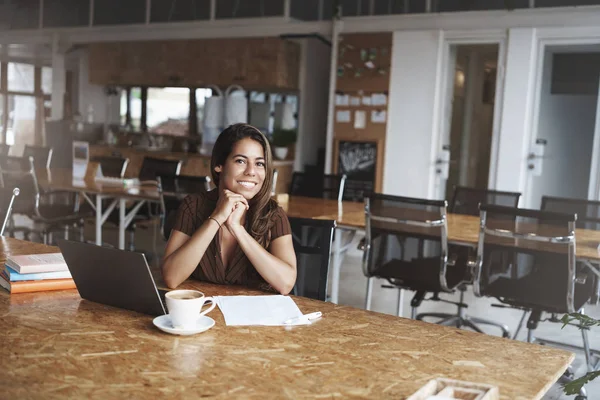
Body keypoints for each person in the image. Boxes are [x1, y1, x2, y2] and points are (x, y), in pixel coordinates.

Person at [162, 123, 297, 294]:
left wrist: (237, 229)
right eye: (240, 161)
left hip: (253, 318)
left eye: (259, 164)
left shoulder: (273, 215)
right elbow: (171, 278)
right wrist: (216, 219)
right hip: (204, 314)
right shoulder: (194, 206)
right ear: (219, 165)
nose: (251, 172)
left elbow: (286, 284)